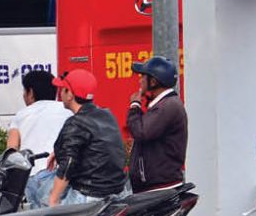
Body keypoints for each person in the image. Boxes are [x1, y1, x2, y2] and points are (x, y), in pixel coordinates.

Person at [47, 68, 129, 207]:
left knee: (39, 189)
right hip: (118, 191)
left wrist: (53, 200)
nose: (60, 93)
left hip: (89, 195)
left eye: (62, 89)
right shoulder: (107, 114)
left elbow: (68, 164)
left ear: (70, 94)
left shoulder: (75, 123)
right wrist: (60, 151)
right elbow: (98, 145)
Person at [7, 69, 70, 208]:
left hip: (29, 177)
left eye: (24, 91)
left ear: (30, 92)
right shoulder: (67, 110)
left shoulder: (20, 115)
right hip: (57, 175)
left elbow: (11, 151)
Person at [125, 55, 187, 192]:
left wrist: (135, 105)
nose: (140, 80)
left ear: (153, 82)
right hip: (155, 187)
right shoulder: (164, 104)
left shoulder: (168, 106)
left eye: (142, 76)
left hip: (161, 188)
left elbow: (140, 131)